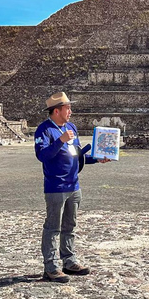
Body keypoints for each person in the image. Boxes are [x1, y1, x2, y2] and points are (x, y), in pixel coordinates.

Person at [34, 92, 109, 283]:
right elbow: (42, 156)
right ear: (57, 110)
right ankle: (51, 267)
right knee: (53, 228)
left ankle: (69, 261)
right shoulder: (44, 130)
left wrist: (97, 159)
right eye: (68, 108)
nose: (71, 111)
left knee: (70, 226)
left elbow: (76, 155)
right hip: (56, 187)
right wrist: (59, 140)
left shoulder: (71, 127)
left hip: (74, 185)